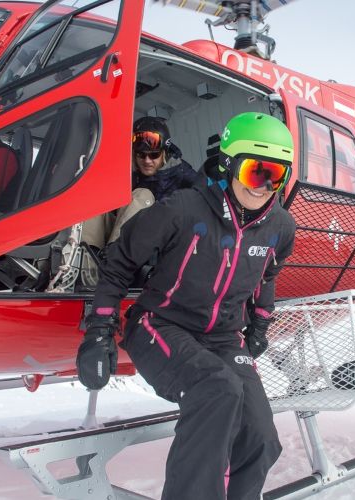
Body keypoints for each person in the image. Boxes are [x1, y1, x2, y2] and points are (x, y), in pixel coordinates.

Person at [76, 112, 296, 500]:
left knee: (261, 437)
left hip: (225, 338)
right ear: (229, 166)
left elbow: (266, 276)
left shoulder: (280, 226)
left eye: (274, 176)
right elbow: (121, 260)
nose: (262, 186)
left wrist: (260, 323)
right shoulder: (182, 209)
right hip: (161, 326)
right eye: (253, 172)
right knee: (218, 389)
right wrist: (100, 329)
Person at [80, 117, 197, 287]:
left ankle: (115, 266)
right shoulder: (127, 174)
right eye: (141, 155)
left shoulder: (183, 175)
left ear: (164, 153)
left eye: (154, 155)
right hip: (117, 240)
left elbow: (206, 198)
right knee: (96, 201)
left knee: (143, 195)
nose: (147, 161)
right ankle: (87, 268)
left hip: (155, 241)